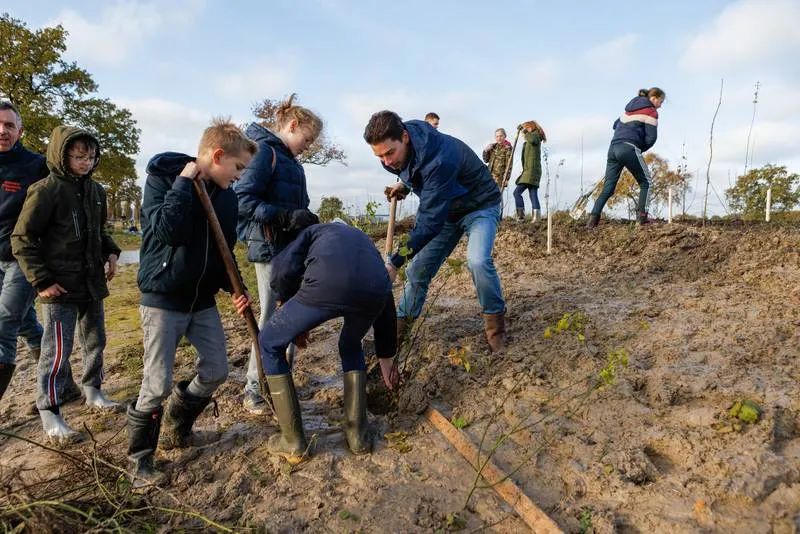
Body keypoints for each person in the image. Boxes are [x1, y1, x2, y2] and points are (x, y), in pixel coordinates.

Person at [126, 118, 256, 487]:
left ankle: (176, 425)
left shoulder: (227, 197)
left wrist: (236, 288)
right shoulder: (164, 179)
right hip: (163, 298)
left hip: (201, 301)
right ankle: (140, 461)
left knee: (216, 369)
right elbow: (168, 231)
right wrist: (184, 183)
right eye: (238, 168)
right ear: (217, 156)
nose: (240, 177)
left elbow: (222, 252)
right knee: (156, 383)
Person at [12, 126, 123, 445]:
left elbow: (98, 233)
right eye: (78, 157)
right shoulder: (45, 191)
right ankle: (48, 409)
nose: (86, 163)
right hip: (58, 288)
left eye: (90, 157)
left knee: (96, 340)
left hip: (92, 284)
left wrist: (112, 252)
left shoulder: (97, 192)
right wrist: (42, 281)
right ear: (62, 155)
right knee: (57, 350)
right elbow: (21, 239)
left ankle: (94, 391)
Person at [364, 111, 507, 352]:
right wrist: (405, 184)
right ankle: (398, 333)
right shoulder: (398, 151)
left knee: (478, 261)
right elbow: (415, 169)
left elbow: (430, 222)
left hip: (480, 206)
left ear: (405, 137)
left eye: (390, 153)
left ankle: (496, 329)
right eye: (380, 156)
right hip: (447, 209)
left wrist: (394, 263)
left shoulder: (441, 158)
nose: (386, 161)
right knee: (418, 269)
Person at [259, 221, 400, 464]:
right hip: (374, 291)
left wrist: (286, 301)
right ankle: (358, 437)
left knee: (270, 342)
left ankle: (293, 443)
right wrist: (386, 356)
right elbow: (385, 296)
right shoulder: (365, 243)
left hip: (326, 285)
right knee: (350, 344)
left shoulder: (313, 231)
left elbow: (283, 270)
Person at [234, 94, 322, 415]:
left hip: (291, 248)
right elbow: (242, 199)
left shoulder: (292, 163)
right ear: (292, 125)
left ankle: (280, 383)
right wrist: (284, 217)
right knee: (272, 317)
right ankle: (254, 389)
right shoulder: (264, 154)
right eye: (307, 139)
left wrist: (305, 218)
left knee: (293, 315)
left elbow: (298, 204)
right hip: (270, 248)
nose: (308, 146)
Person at [587, 87, 665, 228]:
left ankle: (592, 221)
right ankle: (642, 218)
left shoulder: (628, 110)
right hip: (629, 148)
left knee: (608, 187)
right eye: (661, 101)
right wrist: (638, 149)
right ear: (654, 99)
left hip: (613, 148)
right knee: (646, 182)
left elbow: (615, 124)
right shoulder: (651, 111)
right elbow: (651, 138)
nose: (661, 105)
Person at [513, 121, 546, 222]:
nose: (525, 131)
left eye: (526, 128)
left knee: (517, 192)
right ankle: (536, 217)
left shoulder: (535, 136)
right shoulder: (533, 138)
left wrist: (524, 131)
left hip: (531, 171)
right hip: (531, 170)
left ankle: (521, 216)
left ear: (530, 128)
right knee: (533, 193)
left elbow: (532, 140)